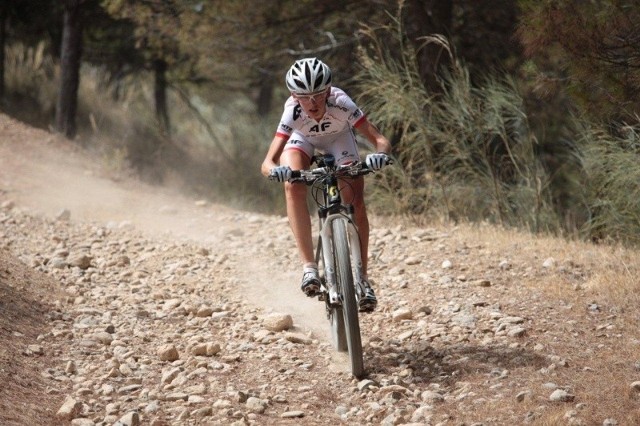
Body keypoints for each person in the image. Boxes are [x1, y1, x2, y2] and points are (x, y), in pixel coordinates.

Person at [261, 57, 391, 312]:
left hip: (339, 139)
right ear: (293, 95)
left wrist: (380, 155)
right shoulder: (293, 112)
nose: (312, 103)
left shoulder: (341, 103)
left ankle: (362, 279)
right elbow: (268, 161)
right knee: (293, 185)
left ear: (329, 91)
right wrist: (276, 171)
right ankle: (309, 268)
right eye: (303, 96)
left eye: (319, 94)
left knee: (354, 199)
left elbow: (380, 139)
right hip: (302, 140)